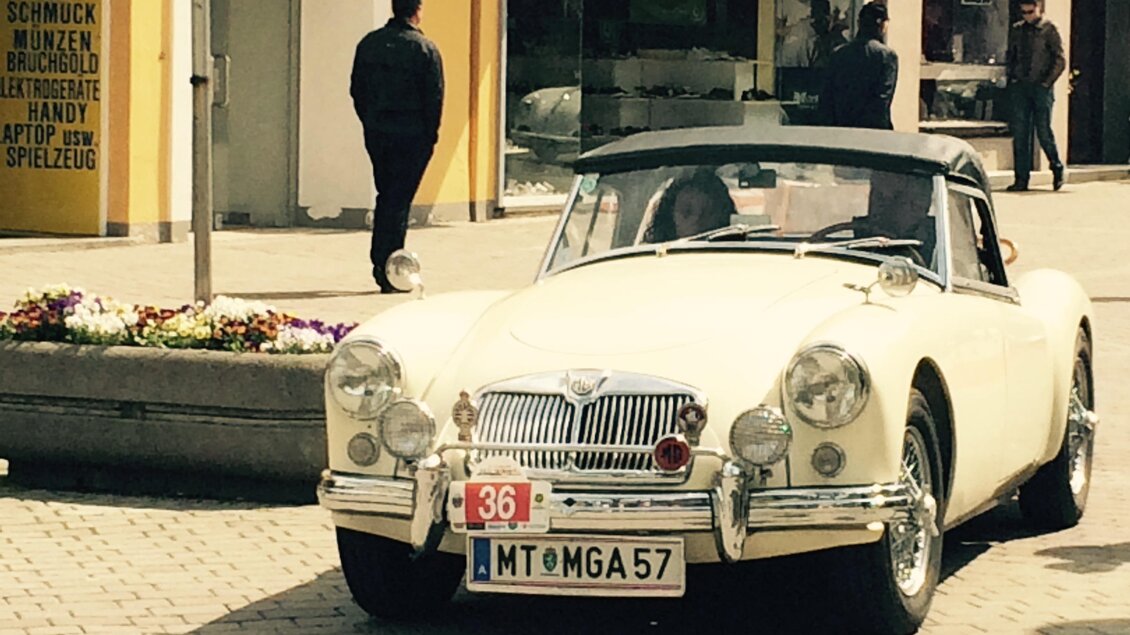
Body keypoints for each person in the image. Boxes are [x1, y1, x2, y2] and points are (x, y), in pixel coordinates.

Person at [350, 0, 444, 293]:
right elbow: (435, 98)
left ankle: (383, 264)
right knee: (398, 201)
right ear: (417, 10)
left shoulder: (369, 44)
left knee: (387, 196)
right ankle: (391, 267)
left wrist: (370, 122)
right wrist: (430, 136)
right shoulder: (425, 49)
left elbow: (357, 90)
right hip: (413, 136)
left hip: (379, 133)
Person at [1005, 0, 1066, 192]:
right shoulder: (1017, 30)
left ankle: (1056, 167)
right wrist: (1012, 77)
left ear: (1039, 9)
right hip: (1021, 88)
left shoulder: (1048, 30)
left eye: (1030, 12)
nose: (1027, 16)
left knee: (1043, 131)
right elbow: (1011, 56)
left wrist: (1046, 83)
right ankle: (1021, 179)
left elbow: (1060, 59)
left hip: (1041, 89)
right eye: (1023, 13)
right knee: (1020, 134)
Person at [817, 2, 898, 130]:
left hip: (841, 128)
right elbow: (882, 101)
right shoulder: (886, 56)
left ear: (859, 23)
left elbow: (827, 99)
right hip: (873, 132)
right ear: (882, 24)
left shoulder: (838, 54)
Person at [644, 171, 736, 243]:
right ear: (670, 216)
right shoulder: (650, 262)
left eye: (707, 213)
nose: (697, 221)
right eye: (687, 212)